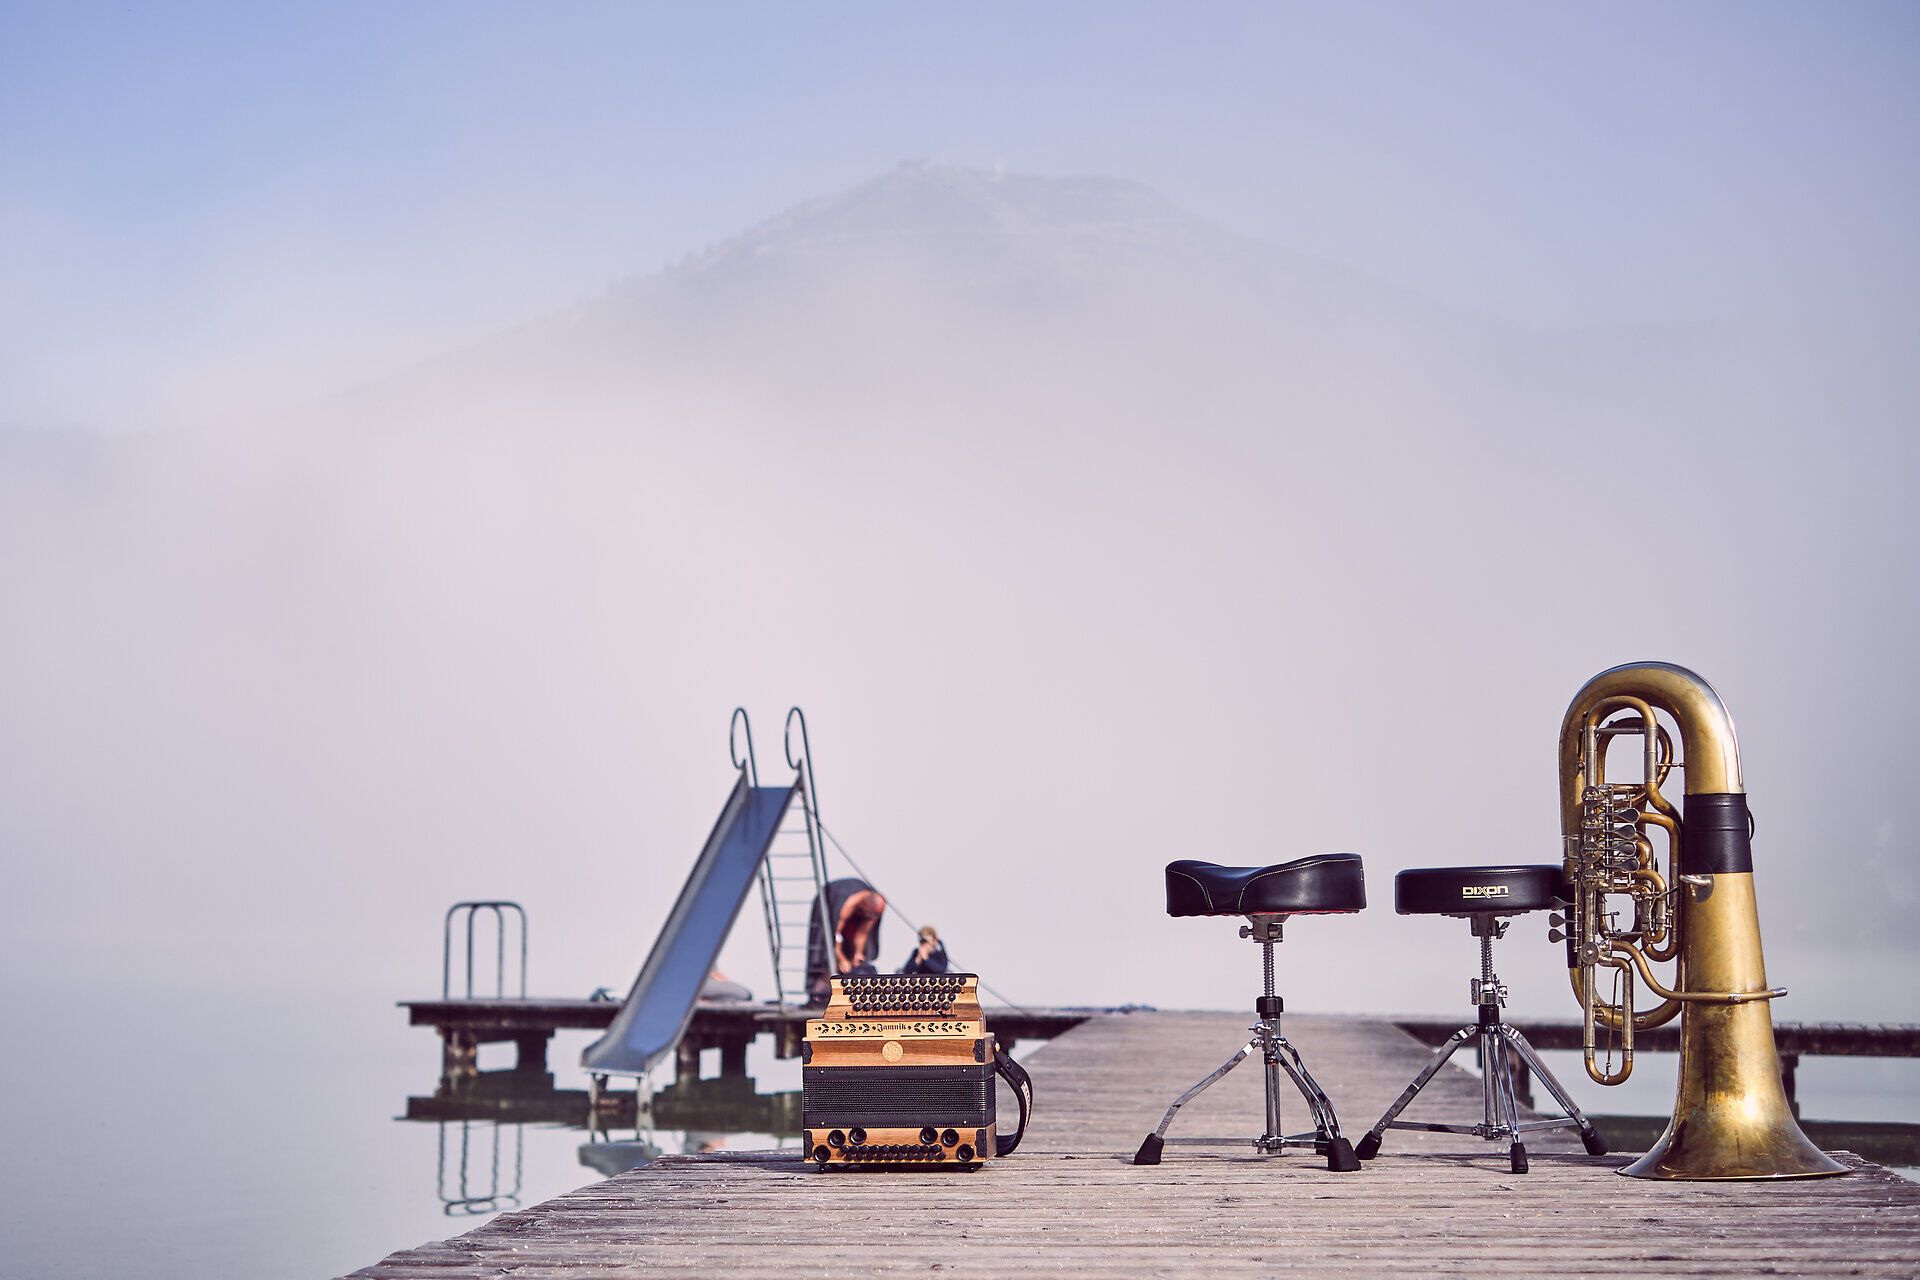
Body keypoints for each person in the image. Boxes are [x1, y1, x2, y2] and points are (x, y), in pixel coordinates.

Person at [805, 877, 886, 1004]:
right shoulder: (846, 905)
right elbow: (836, 934)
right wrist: (841, 958)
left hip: (851, 928)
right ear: (865, 905)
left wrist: (857, 953)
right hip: (834, 920)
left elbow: (862, 933)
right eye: (870, 915)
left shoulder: (873, 911)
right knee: (827, 953)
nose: (872, 919)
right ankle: (821, 992)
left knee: (861, 962)